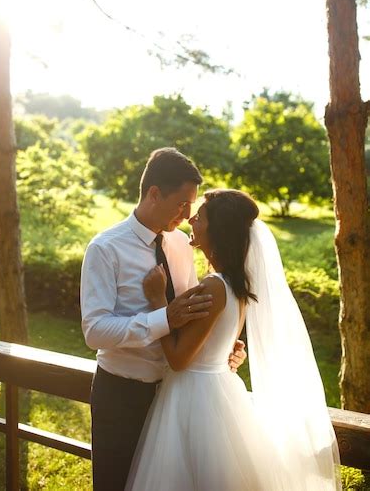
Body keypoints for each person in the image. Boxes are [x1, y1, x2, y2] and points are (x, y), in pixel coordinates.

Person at [126, 189, 341, 491]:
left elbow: (178, 359)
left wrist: (157, 300)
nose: (190, 218)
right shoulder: (234, 284)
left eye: (199, 217)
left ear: (217, 229)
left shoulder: (214, 286)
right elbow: (217, 343)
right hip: (219, 387)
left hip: (194, 398)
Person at [80, 149, 247, 491]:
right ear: (154, 193)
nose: (188, 215)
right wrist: (163, 318)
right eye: (183, 204)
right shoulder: (105, 249)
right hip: (122, 396)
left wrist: (218, 346)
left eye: (193, 207)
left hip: (177, 398)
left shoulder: (182, 245)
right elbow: (94, 331)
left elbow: (191, 312)